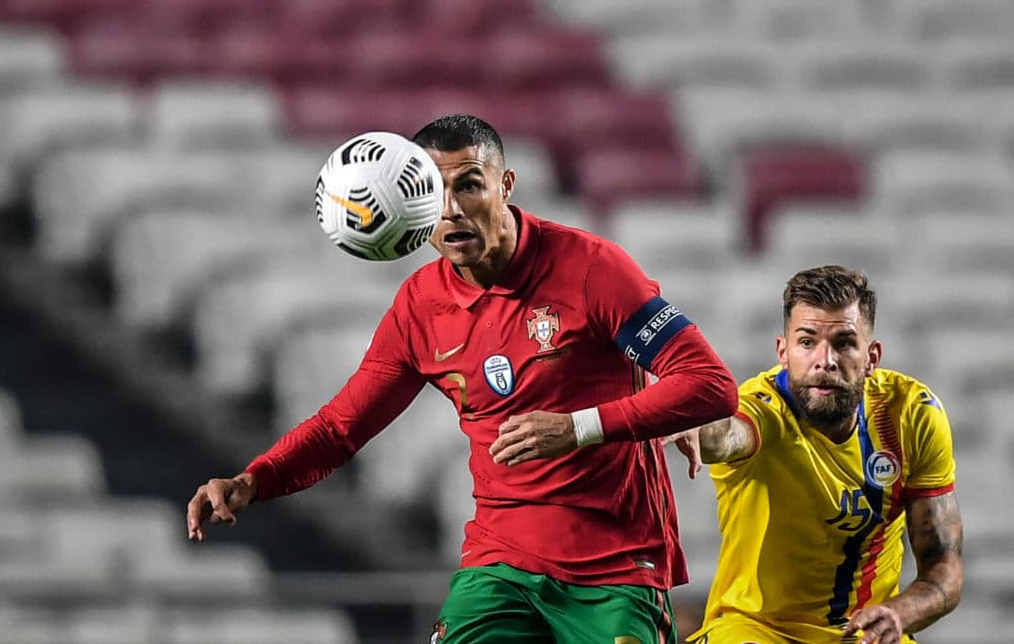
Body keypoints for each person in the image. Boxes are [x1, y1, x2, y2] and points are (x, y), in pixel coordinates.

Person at [186, 114, 738, 644]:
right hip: (499, 565)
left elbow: (709, 384)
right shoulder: (421, 306)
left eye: (469, 186)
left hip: (617, 565)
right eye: (432, 194)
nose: (451, 210)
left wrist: (578, 428)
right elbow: (341, 427)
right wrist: (253, 480)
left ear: (506, 185)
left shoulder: (594, 267)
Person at [673, 265, 962, 644]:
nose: (824, 360)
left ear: (872, 356)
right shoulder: (762, 408)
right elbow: (729, 435)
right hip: (755, 630)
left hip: (861, 633)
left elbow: (944, 569)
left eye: (843, 342)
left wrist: (897, 613)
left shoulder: (912, 416)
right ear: (783, 352)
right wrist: (695, 424)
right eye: (807, 342)